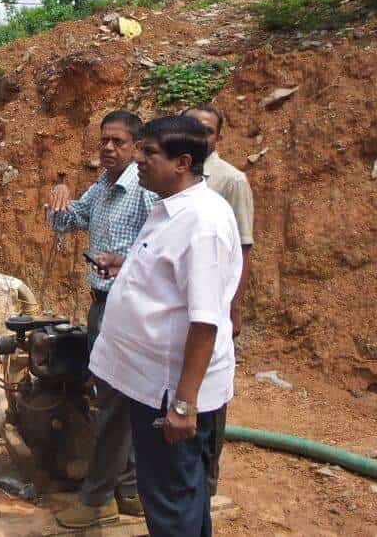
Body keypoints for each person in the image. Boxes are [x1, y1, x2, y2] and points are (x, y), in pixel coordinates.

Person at [91, 116, 241, 537]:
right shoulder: (171, 209)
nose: (137, 158)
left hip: (168, 392)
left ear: (183, 162)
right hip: (150, 384)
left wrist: (183, 404)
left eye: (148, 152)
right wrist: (126, 267)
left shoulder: (202, 223)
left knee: (171, 503)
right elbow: (168, 280)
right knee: (180, 497)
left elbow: (206, 321)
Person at [46, 110, 156, 528]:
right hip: (101, 306)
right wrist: (58, 198)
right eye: (104, 141)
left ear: (137, 147)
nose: (108, 148)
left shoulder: (145, 193)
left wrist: (124, 264)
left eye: (119, 142)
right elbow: (70, 221)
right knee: (111, 397)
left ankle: (100, 497)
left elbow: (156, 256)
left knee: (114, 401)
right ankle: (127, 487)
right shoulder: (102, 186)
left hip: (126, 307)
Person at [183, 103, 255, 497]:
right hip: (187, 302)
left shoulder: (230, 181)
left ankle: (208, 476)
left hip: (214, 302)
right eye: (192, 126)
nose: (199, 134)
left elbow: (244, 247)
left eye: (207, 130)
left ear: (218, 138)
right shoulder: (174, 173)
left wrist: (234, 305)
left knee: (211, 388)